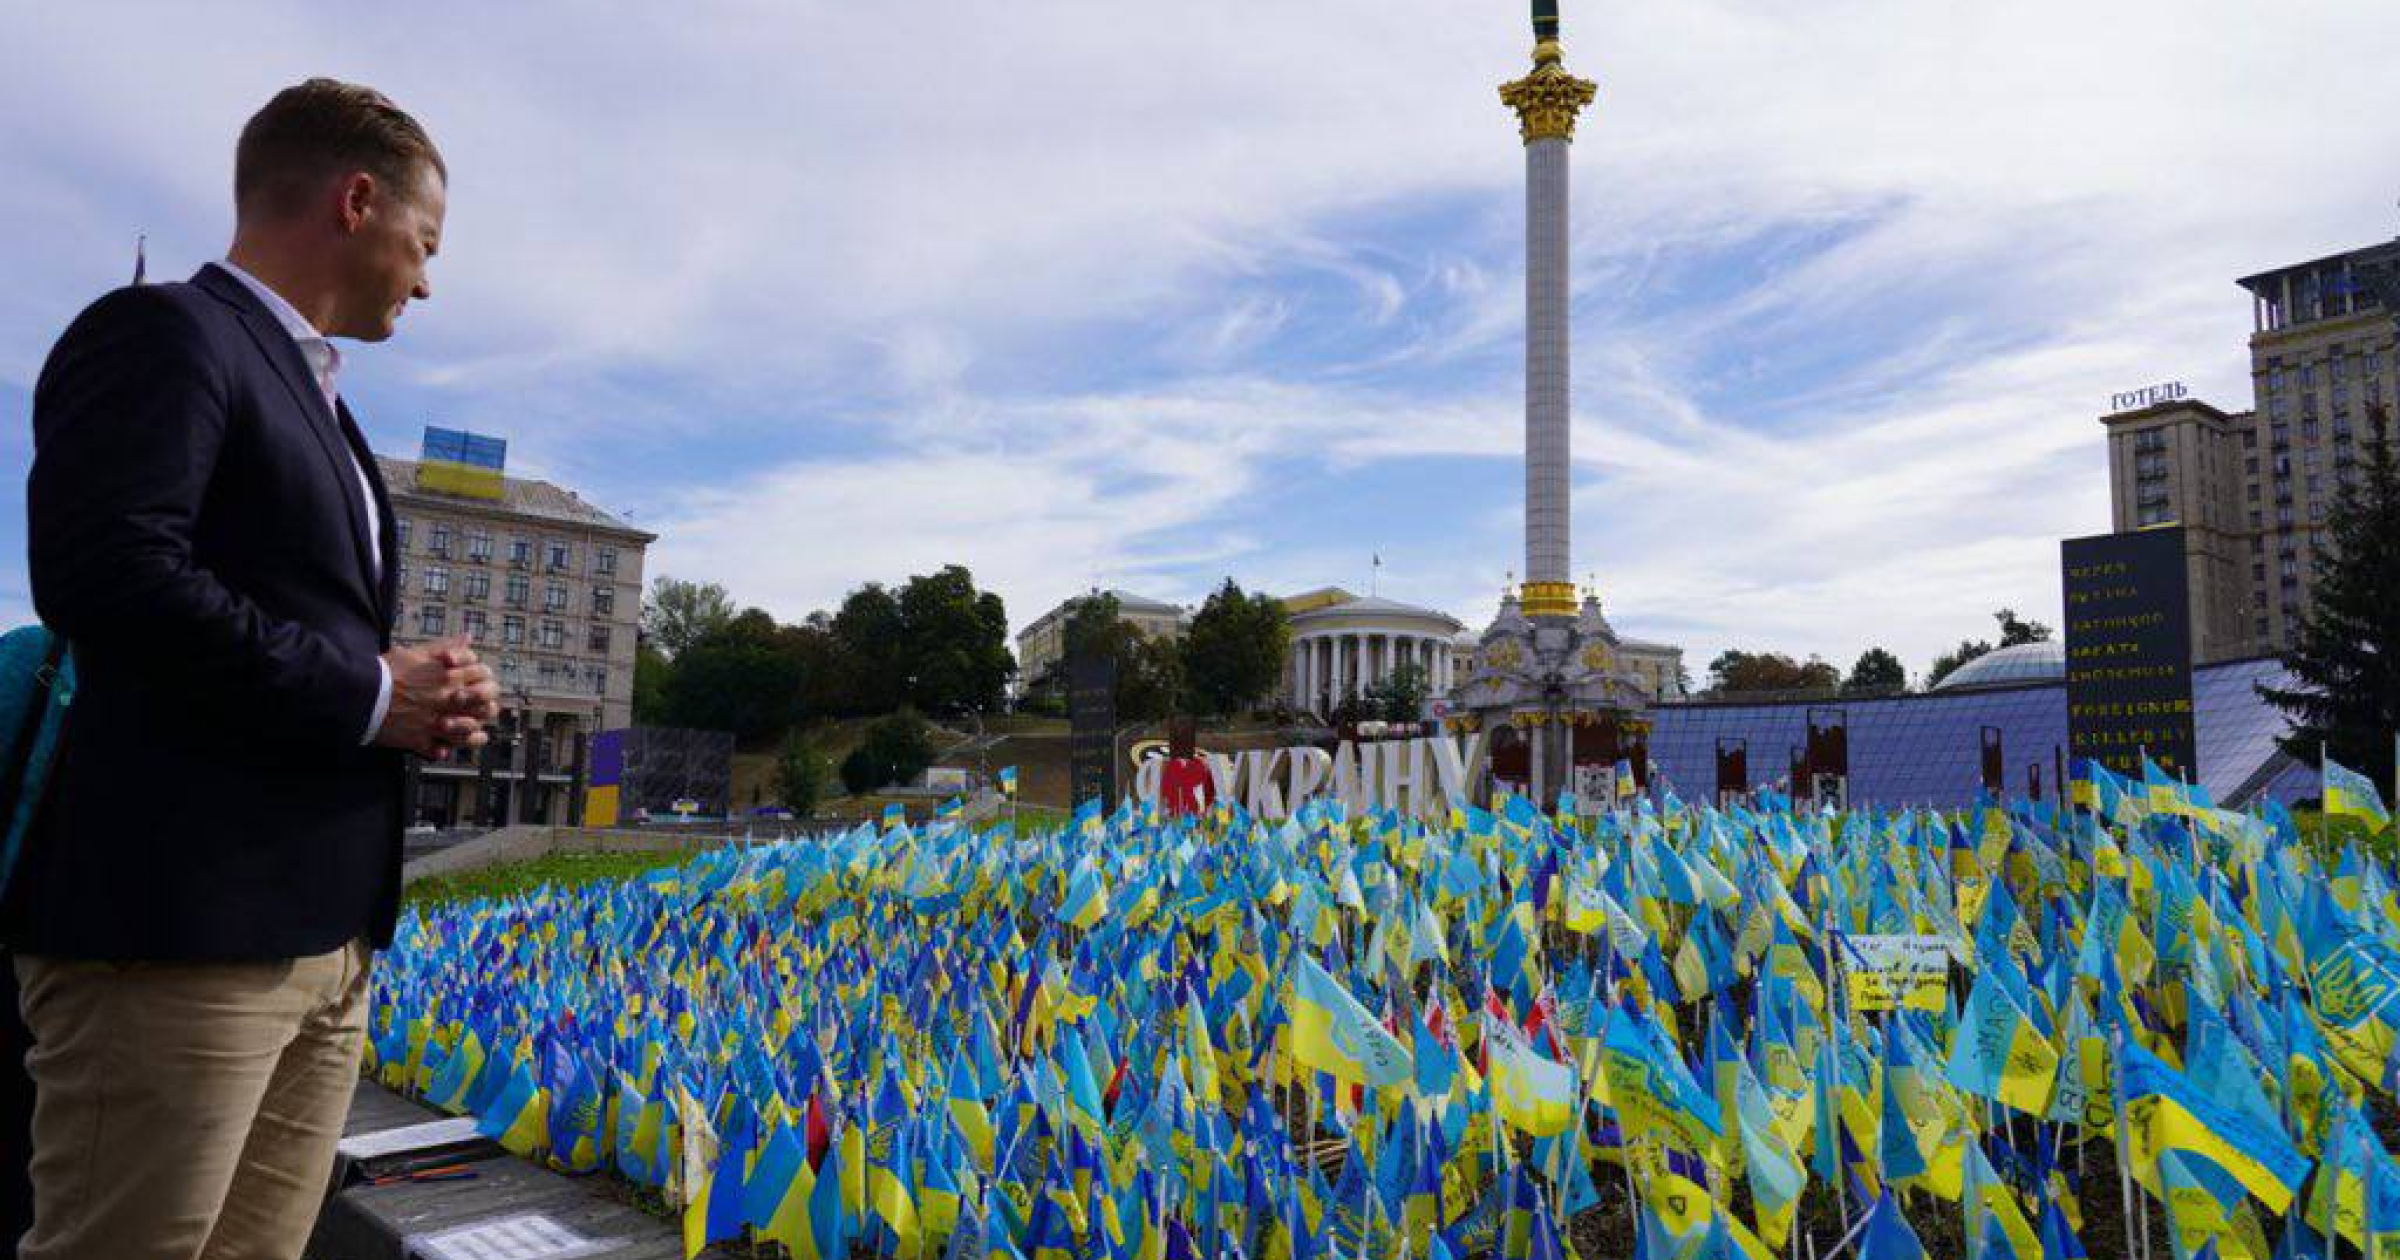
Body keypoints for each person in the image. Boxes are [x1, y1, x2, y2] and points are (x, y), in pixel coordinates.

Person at [1, 79, 500, 1260]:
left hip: (320, 941)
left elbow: (285, 625)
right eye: (424, 244)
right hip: (181, 933)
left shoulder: (324, 407)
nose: (426, 280)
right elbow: (111, 576)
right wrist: (375, 693)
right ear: (357, 200)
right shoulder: (163, 330)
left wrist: (415, 685)